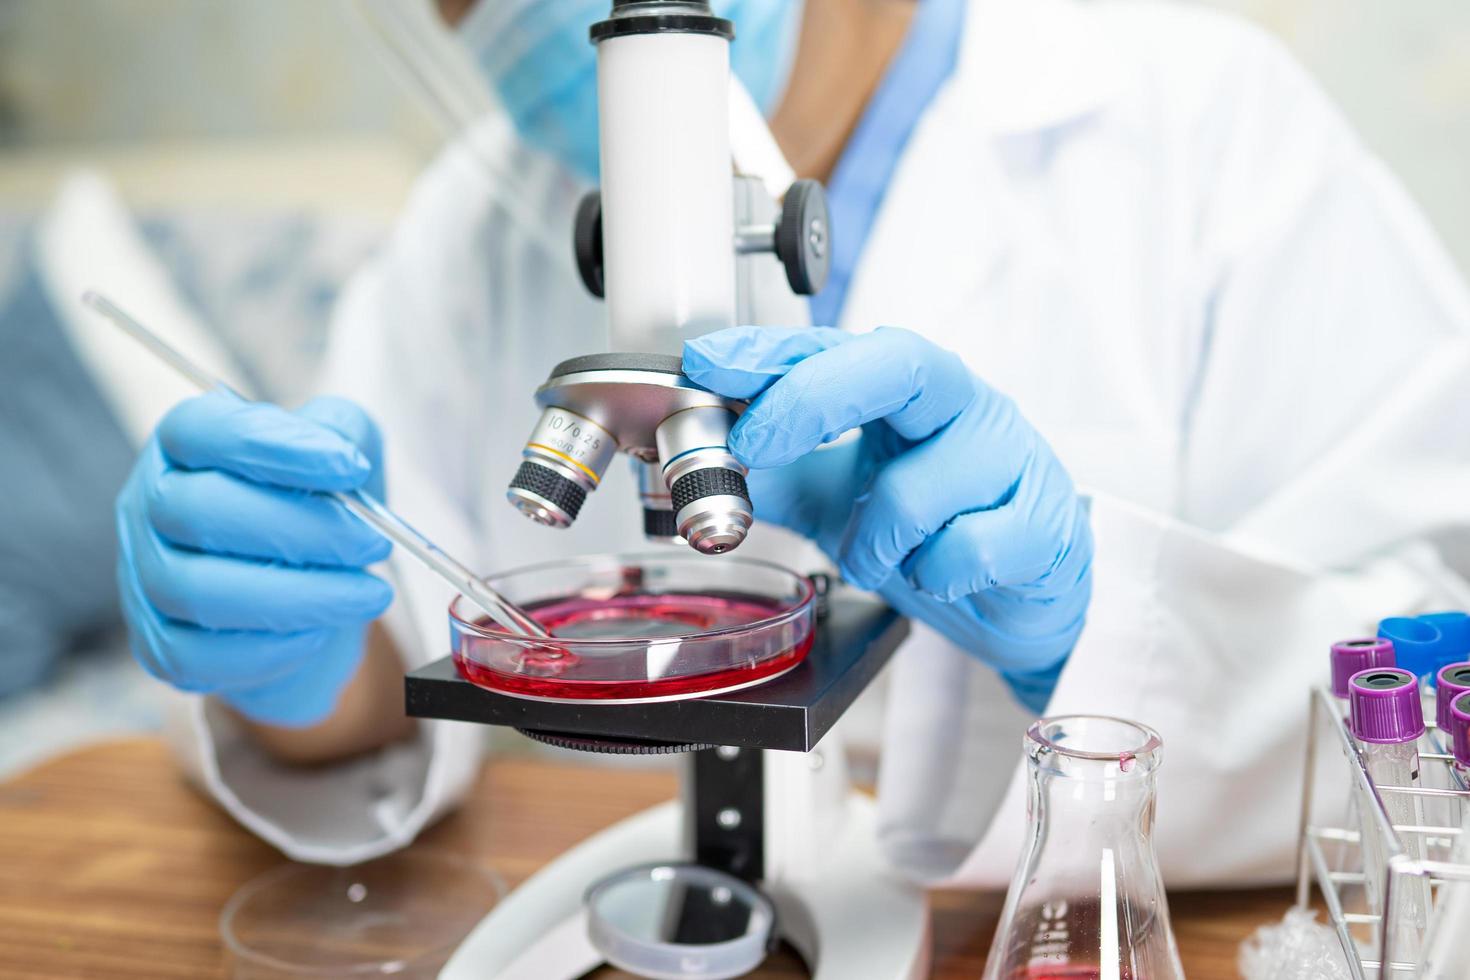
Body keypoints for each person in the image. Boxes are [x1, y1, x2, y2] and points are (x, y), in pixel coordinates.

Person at [115, 0, 1470, 884]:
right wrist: (286, 664)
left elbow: (1432, 684)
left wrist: (1094, 634)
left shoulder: (1200, 123)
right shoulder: (477, 216)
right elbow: (392, 620)